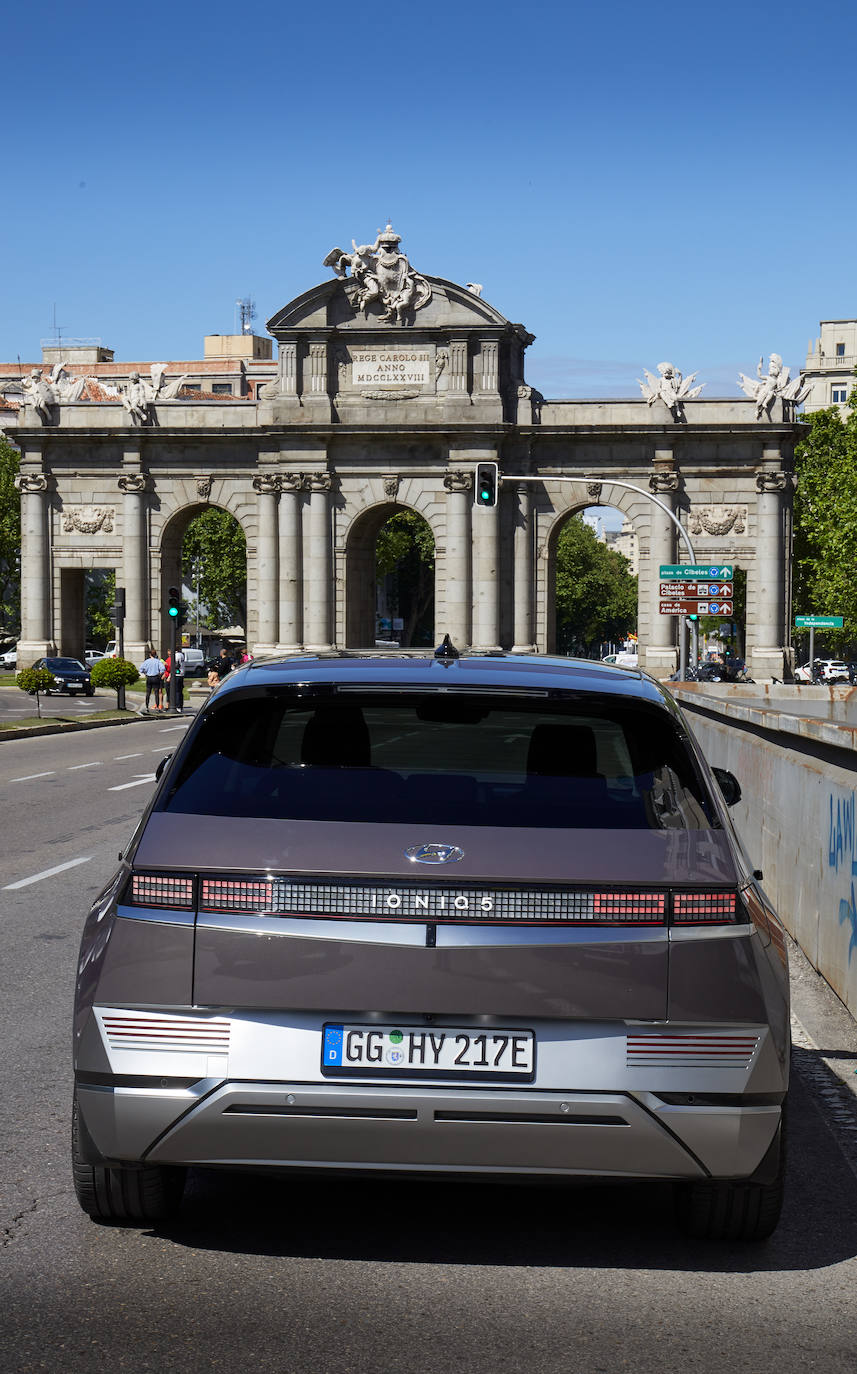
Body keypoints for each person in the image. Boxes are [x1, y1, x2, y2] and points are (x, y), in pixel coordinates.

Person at [138, 646, 165, 711]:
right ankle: (158, 706)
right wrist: (159, 674)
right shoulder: (158, 661)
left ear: (150, 655)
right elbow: (163, 669)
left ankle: (147, 706)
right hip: (156, 677)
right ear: (155, 654)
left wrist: (145, 672)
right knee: (156, 692)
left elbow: (141, 669)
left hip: (149, 677)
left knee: (148, 692)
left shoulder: (146, 661)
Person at [163, 646, 186, 713]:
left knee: (176, 691)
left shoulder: (176, 656)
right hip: (182, 674)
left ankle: (177, 706)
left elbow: (175, 666)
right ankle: (180, 706)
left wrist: (170, 676)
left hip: (177, 675)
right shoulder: (182, 655)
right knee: (180, 691)